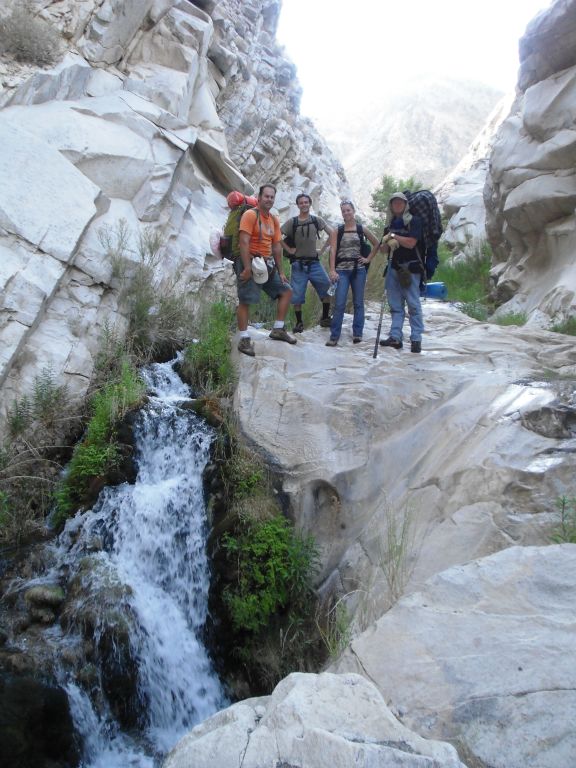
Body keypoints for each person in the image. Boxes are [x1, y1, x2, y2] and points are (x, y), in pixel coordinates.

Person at [236, 183, 297, 357]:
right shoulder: (249, 215)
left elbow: (277, 247)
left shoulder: (273, 220)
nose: (269, 199)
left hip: (267, 264)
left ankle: (278, 329)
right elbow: (244, 242)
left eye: (272, 197)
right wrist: (247, 267)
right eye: (266, 196)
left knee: (286, 291)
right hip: (250, 262)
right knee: (245, 300)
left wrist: (282, 272)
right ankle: (244, 339)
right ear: (259, 197)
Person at [325, 200, 380, 346]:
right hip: (341, 271)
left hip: (358, 270)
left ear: (353, 211)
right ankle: (334, 335)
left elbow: (377, 243)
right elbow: (333, 250)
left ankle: (357, 334)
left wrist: (368, 259)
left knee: (358, 303)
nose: (346, 213)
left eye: (348, 210)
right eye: (343, 211)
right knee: (340, 303)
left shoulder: (362, 229)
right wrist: (331, 270)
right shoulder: (338, 230)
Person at [281, 193, 333, 333]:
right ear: (297, 205)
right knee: (297, 296)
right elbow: (276, 235)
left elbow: (332, 234)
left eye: (306, 202)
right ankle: (299, 323)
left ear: (310, 204)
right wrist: (288, 249)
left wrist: (322, 250)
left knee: (326, 287)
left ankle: (325, 317)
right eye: (301, 202)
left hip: (314, 263)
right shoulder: (293, 222)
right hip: (298, 264)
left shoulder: (317, 220)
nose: (304, 204)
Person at [380, 192, 424, 353]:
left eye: (400, 203)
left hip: (411, 268)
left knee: (413, 304)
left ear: (406, 205)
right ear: (391, 206)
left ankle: (416, 339)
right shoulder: (389, 224)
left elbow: (411, 243)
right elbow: (383, 250)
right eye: (394, 203)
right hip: (393, 267)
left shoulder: (415, 221)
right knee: (395, 305)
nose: (397, 205)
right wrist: (386, 242)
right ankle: (395, 337)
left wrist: (393, 236)